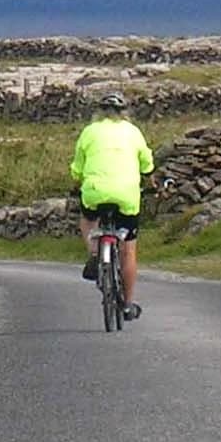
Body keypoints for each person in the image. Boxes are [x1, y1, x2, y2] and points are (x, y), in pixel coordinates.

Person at [71, 91, 154, 321]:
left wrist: (77, 180)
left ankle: (95, 252)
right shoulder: (133, 132)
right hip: (127, 195)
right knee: (128, 249)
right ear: (124, 112)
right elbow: (147, 164)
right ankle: (127, 305)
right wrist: (152, 181)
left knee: (87, 220)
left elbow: (77, 168)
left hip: (95, 192)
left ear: (100, 112)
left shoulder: (89, 132)